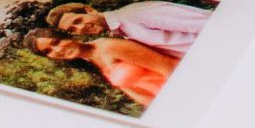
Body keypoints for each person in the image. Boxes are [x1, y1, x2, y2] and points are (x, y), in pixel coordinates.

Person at [25, 26, 178, 109]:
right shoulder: (90, 63)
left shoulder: (108, 47)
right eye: (48, 52)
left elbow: (168, 66)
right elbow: (138, 92)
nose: (57, 50)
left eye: (56, 42)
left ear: (67, 36)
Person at [45, 0, 208, 56]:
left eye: (78, 20)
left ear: (89, 10)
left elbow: (203, 23)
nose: (80, 28)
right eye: (73, 30)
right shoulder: (119, 34)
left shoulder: (134, 15)